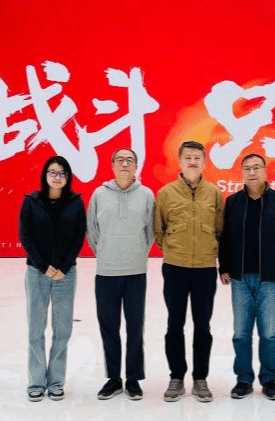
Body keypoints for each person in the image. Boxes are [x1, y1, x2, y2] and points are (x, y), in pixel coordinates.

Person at [218, 153, 275, 401]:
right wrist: (224, 267)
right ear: (241, 173)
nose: (252, 172)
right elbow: (224, 238)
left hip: (270, 279)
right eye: (247, 168)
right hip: (240, 279)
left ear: (265, 171)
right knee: (241, 334)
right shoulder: (232, 202)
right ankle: (243, 379)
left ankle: (269, 380)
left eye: (256, 168)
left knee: (269, 334)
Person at [153, 141, 224, 402]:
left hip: (205, 268)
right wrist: (175, 251)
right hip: (175, 268)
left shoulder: (214, 193)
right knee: (175, 324)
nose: (192, 161)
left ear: (204, 162)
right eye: (188, 157)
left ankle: (200, 379)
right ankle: (176, 377)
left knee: (203, 326)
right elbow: (159, 230)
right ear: (180, 162)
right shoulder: (166, 193)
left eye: (197, 157)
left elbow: (220, 229)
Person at [87, 148, 156, 400]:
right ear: (113, 165)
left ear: (136, 166)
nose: (124, 164)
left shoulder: (146, 195)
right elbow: (92, 230)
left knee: (135, 327)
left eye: (130, 160)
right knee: (109, 327)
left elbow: (151, 231)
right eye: (120, 160)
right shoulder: (99, 194)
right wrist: (105, 253)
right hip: (106, 272)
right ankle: (114, 379)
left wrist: (138, 253)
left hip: (136, 271)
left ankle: (133, 378)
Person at [18, 156, 86, 402]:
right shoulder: (31, 201)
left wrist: (64, 267)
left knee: (62, 330)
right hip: (37, 273)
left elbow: (79, 236)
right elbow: (25, 236)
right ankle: (36, 381)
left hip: (66, 274)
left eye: (62, 173)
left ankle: (56, 381)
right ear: (45, 175)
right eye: (53, 172)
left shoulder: (76, 203)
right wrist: (43, 266)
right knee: (36, 329)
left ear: (68, 177)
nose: (57, 177)